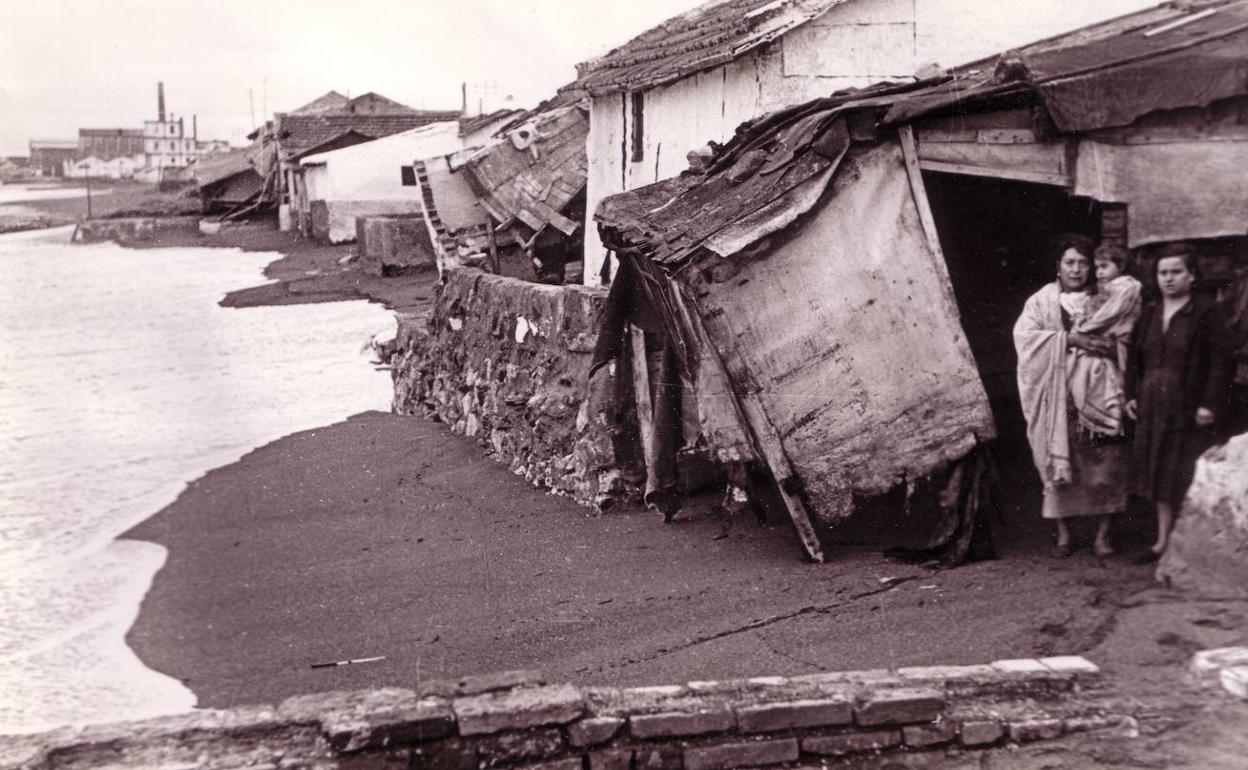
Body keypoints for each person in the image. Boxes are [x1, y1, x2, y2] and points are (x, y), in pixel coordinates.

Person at [1015, 235, 1127, 558]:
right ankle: (1063, 533)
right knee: (1061, 460)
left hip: (1100, 394)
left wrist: (1112, 347)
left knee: (1105, 463)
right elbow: (1025, 340)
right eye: (1070, 262)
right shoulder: (1041, 302)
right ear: (1058, 267)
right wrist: (1072, 339)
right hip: (1059, 396)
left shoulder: (1107, 299)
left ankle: (1103, 535)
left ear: (1092, 266)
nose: (1076, 269)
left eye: (1083, 262)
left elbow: (1127, 334)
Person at [1124, 244, 1232, 562]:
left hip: (1188, 408)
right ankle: (1162, 543)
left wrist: (1209, 404)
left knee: (1184, 472)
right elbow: (1133, 359)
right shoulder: (1150, 312)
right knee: (1159, 474)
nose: (1168, 278)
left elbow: (1220, 362)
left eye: (1176, 272)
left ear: (1192, 275)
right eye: (1163, 272)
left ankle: (1194, 544)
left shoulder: (1206, 311)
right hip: (1153, 408)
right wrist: (1131, 394)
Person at [1067, 243, 1142, 438]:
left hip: (1123, 340)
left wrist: (1083, 327)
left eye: (1104, 266)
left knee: (1118, 380)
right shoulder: (1109, 287)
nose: (1099, 272)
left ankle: (1112, 421)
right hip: (1107, 338)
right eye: (1097, 267)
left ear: (1121, 265)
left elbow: (1109, 314)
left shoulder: (1129, 286)